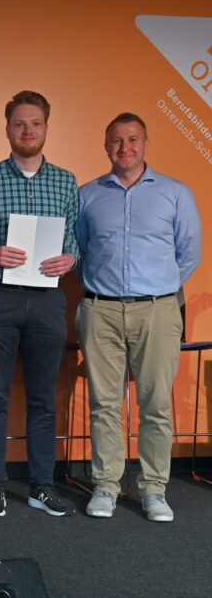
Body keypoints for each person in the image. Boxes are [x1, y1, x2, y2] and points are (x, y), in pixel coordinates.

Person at [77, 113, 201, 522]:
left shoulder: (175, 193)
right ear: (106, 146)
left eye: (132, 139)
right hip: (101, 309)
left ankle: (153, 489)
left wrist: (159, 288)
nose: (124, 148)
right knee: (104, 404)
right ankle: (106, 485)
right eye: (116, 140)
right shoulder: (88, 195)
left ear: (145, 143)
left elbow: (189, 252)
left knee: (157, 404)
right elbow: (80, 250)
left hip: (158, 310)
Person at [0, 90, 78, 517]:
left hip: (48, 300)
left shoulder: (66, 181)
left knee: (43, 397)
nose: (27, 131)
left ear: (46, 127)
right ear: (8, 129)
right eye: (19, 124)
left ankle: (41, 486)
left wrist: (70, 259)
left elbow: (74, 240)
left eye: (35, 123)